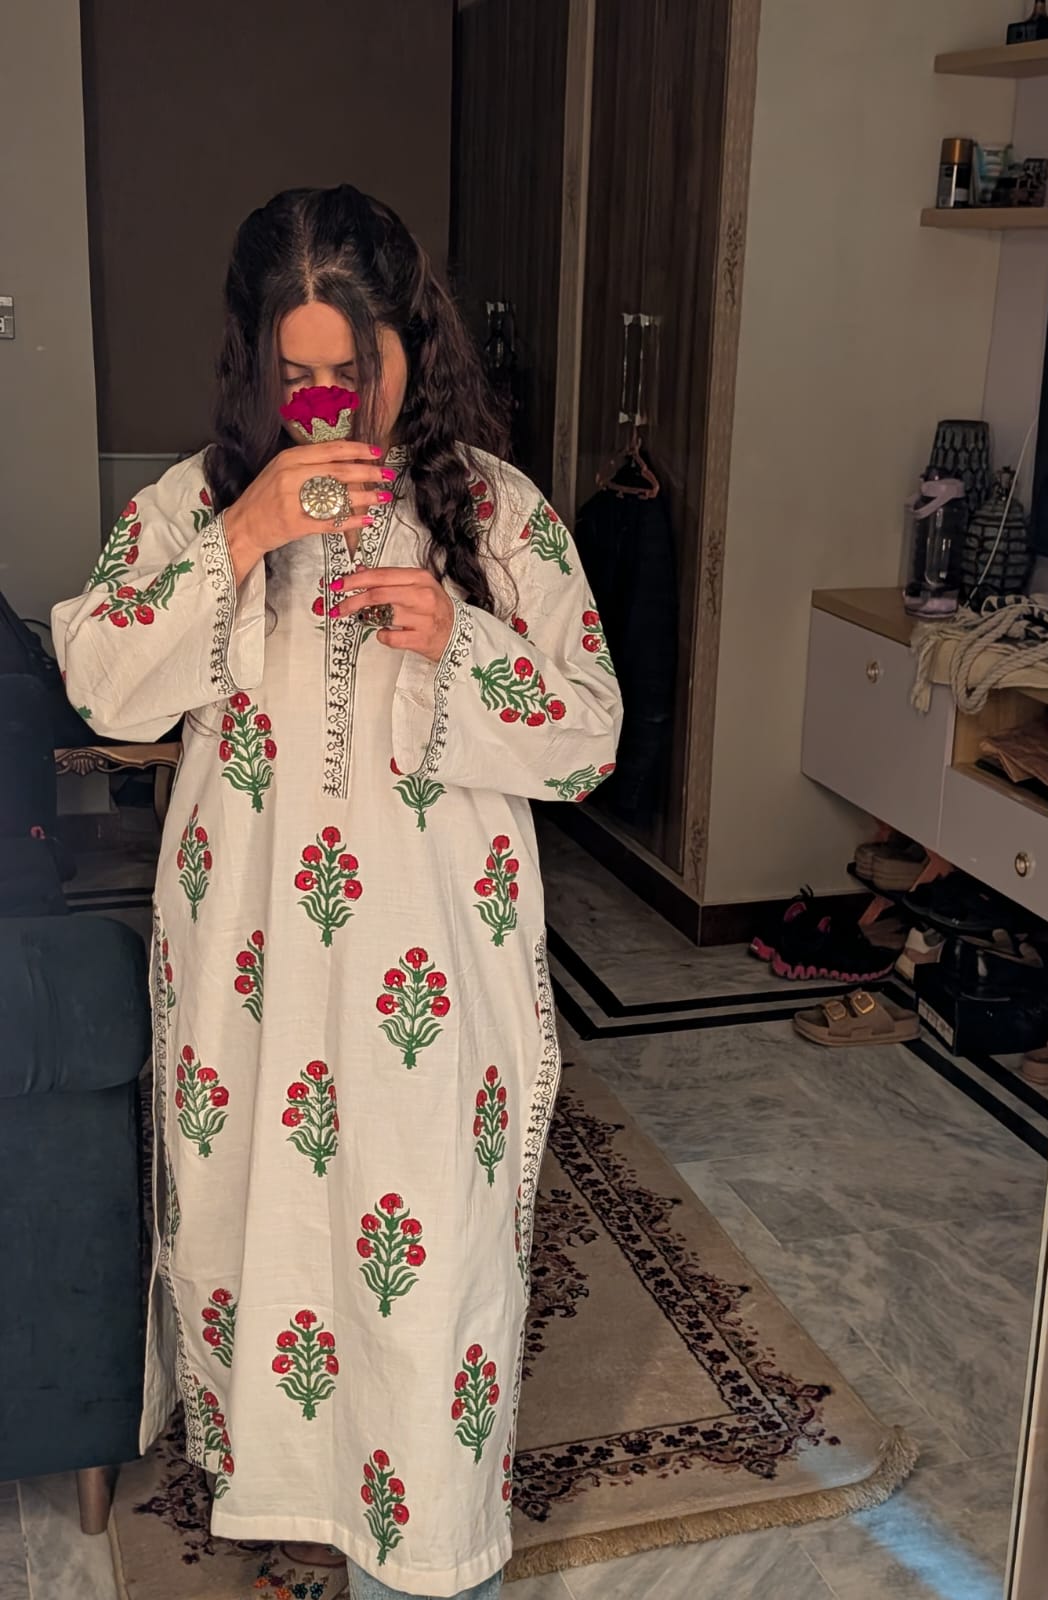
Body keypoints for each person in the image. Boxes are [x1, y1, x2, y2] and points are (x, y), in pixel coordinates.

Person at [52, 185, 621, 1600]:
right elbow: (105, 686)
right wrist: (243, 533)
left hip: (429, 975)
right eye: (294, 370)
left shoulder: (499, 514)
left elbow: (592, 737)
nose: (325, 402)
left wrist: (466, 640)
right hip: (250, 980)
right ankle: (308, 1516)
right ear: (253, 358)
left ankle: (425, 1558)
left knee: (427, 1276)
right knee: (265, 1248)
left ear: (412, 342)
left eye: (355, 368)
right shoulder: (193, 504)